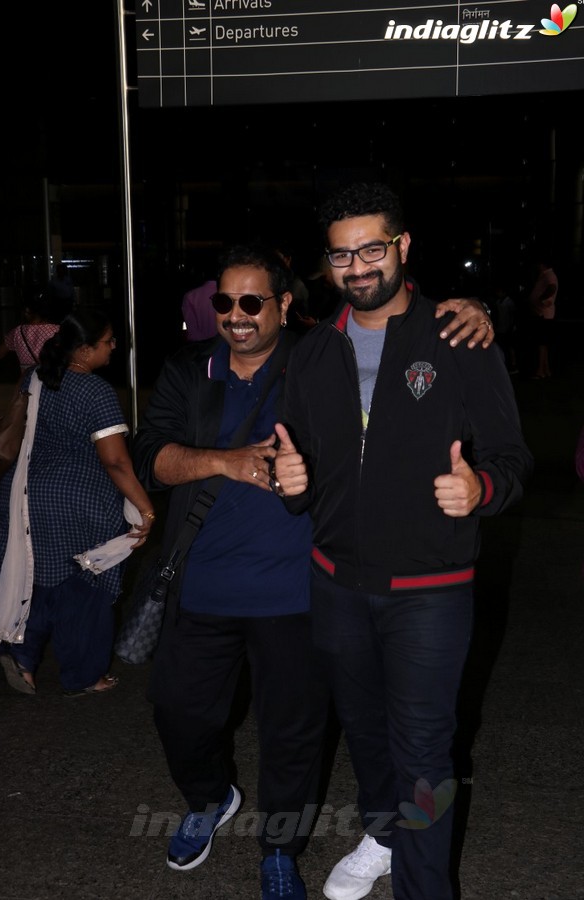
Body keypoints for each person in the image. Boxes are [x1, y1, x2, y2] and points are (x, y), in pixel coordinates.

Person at [131, 237, 495, 899]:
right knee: (181, 715)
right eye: (223, 301)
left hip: (302, 593)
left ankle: (280, 848)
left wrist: (467, 311)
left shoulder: (321, 358)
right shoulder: (189, 371)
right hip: (205, 588)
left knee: (300, 735)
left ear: (284, 305)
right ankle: (211, 798)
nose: (235, 314)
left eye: (250, 301)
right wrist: (227, 460)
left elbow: (391, 328)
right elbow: (151, 456)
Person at [272, 182, 533, 900]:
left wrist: (481, 489)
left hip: (429, 591)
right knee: (366, 735)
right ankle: (384, 833)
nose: (358, 267)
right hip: (335, 586)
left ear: (402, 247)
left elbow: (513, 458)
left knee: (424, 757)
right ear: (326, 264)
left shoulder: (457, 336)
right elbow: (299, 472)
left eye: (372, 249)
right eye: (341, 254)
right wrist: (286, 480)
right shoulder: (313, 355)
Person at [0, 308, 155, 696]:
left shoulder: (36, 377)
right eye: (108, 341)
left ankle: (23, 658)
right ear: (82, 350)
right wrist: (145, 508)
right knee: (86, 589)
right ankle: (83, 675)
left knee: (38, 579)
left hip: (28, 493)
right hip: (79, 500)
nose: (114, 347)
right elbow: (115, 460)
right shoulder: (95, 390)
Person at [0, 289, 58, 384]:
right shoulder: (57, 331)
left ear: (27, 311)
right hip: (51, 385)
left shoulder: (18, 332)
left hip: (27, 385)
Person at [527, 255, 558, 379]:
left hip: (543, 314)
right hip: (542, 313)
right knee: (543, 344)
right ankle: (545, 370)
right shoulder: (546, 275)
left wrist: (541, 299)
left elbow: (552, 287)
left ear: (542, 265)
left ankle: (541, 370)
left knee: (542, 344)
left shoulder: (548, 275)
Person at [181, 277, 218, 341]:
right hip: (223, 342)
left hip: (199, 344)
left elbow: (192, 329)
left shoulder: (190, 296)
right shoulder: (228, 293)